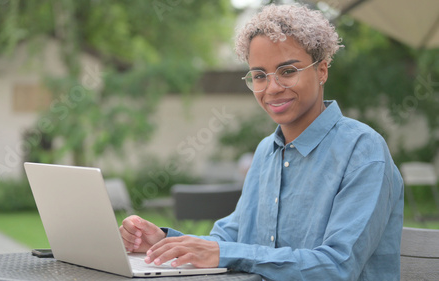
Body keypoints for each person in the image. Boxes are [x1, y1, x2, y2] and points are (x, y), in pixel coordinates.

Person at [120, 3, 404, 280]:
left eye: (288, 71)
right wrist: (164, 242)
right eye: (259, 76)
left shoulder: (362, 151)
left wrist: (227, 253)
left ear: (322, 71)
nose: (272, 88)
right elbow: (229, 237)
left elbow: (336, 267)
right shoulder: (267, 151)